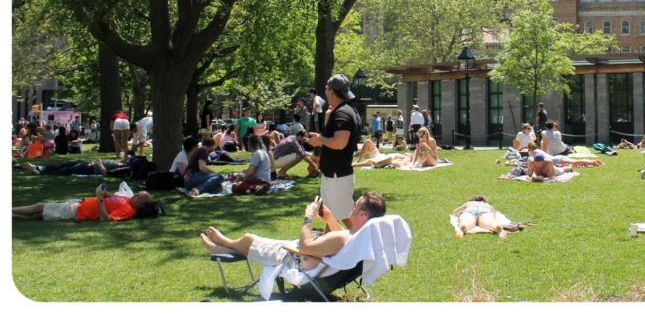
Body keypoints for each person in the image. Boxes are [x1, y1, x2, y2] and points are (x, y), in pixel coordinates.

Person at [196, 190, 386, 278]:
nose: (352, 206)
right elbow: (340, 242)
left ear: (362, 214)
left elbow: (305, 247)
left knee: (248, 239)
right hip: (308, 255)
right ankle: (220, 246)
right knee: (247, 241)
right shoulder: (359, 237)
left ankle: (221, 245)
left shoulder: (343, 238)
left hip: (294, 256)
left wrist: (308, 218)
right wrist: (329, 219)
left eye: (356, 205)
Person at [302, 74, 363, 222]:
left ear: (331, 91)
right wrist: (321, 137)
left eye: (326, 89)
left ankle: (362, 241)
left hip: (337, 176)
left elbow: (339, 142)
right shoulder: (345, 110)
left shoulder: (342, 113)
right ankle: (329, 241)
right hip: (335, 175)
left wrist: (320, 140)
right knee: (331, 216)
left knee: (346, 219)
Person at [13, 184, 161, 222]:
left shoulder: (128, 211)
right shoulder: (127, 200)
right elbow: (112, 198)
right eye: (136, 194)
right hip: (79, 204)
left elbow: (105, 219)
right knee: (38, 215)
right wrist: (105, 193)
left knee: (40, 207)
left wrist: (100, 199)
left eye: (137, 197)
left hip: (77, 211)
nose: (134, 196)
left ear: (141, 204)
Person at [452, 195, 526, 236]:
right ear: (483, 201)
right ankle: (497, 228)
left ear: (472, 200)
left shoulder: (469, 203)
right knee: (491, 223)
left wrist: (459, 214)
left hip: (470, 210)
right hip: (485, 211)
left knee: (466, 222)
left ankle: (463, 227)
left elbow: (455, 212)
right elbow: (495, 214)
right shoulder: (487, 205)